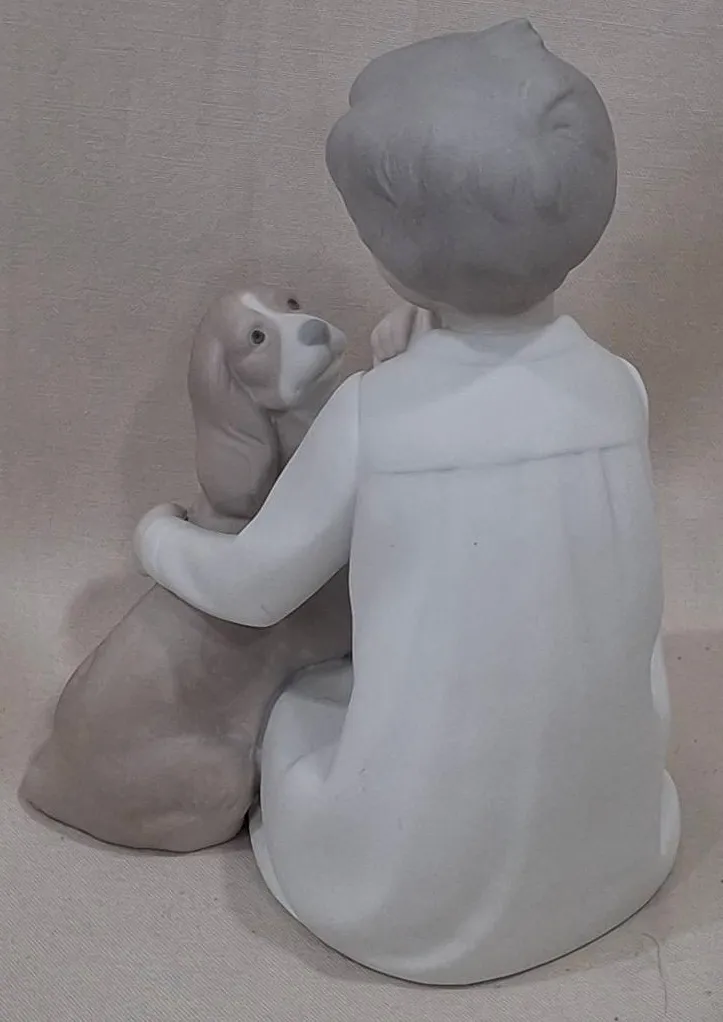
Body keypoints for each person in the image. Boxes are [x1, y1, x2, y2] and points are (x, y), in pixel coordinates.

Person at [134, 21, 679, 985]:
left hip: (413, 897)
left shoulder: (372, 417)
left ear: (393, 259)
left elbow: (254, 588)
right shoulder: (619, 389)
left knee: (300, 711)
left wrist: (159, 538)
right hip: (621, 848)